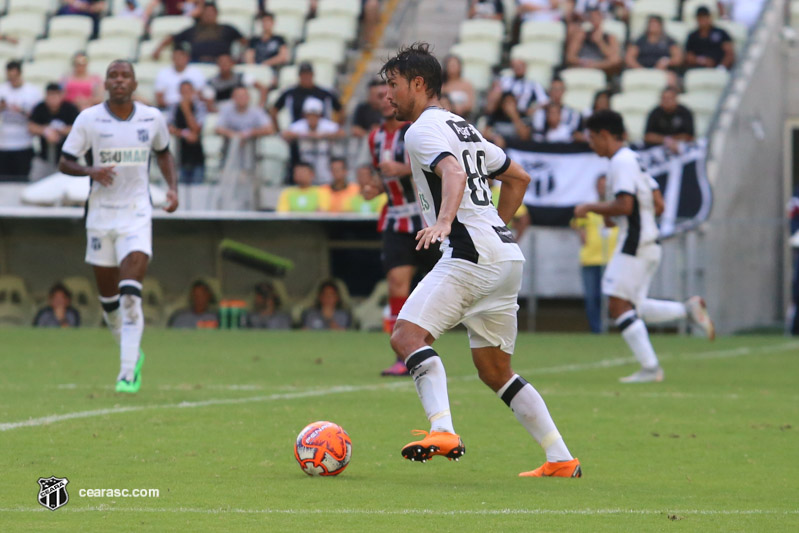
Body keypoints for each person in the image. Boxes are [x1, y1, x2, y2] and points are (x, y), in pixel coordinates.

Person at [381, 43, 581, 477]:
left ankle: (443, 429)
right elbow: (518, 177)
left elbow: (452, 173)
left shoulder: (420, 131)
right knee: (495, 370)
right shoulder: (463, 126)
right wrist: (495, 228)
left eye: (393, 85)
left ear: (418, 83)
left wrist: (445, 222)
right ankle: (560, 459)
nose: (388, 96)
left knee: (406, 337)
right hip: (504, 256)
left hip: (470, 256)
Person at [59, 60, 179, 394]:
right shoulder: (89, 119)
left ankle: (127, 373)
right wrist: (91, 171)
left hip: (136, 214)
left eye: (125, 75)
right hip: (100, 215)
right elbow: (65, 161)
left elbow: (165, 153)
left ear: (135, 82)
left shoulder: (152, 118)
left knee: (130, 294)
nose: (119, 80)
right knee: (109, 302)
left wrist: (172, 188)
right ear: (106, 83)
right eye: (113, 75)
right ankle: (132, 353)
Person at [574, 110, 715, 383]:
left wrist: (591, 207)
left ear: (605, 135)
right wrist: (625, 214)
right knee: (631, 306)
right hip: (647, 239)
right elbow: (658, 203)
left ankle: (651, 368)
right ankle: (686, 311)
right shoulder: (633, 159)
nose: (591, 144)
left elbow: (626, 205)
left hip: (636, 241)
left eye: (592, 138)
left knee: (616, 303)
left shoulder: (621, 162)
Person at [366, 86, 441, 376]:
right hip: (396, 220)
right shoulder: (375, 137)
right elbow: (378, 173)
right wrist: (374, 186)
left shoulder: (418, 130)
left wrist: (404, 169)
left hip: (427, 221)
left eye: (390, 93)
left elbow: (435, 166)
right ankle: (403, 356)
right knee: (398, 285)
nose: (386, 100)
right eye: (380, 96)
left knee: (451, 285)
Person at [572, 175, 617, 333]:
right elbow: (576, 222)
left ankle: (618, 327)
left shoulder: (618, 208)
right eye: (600, 185)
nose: (602, 189)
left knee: (614, 298)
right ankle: (597, 330)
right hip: (591, 259)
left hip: (612, 260)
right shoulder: (589, 208)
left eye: (606, 185)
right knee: (592, 298)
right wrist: (580, 231)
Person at [151, 1, 247, 64]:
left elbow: (245, 42)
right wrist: (158, 49)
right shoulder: (193, 30)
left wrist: (238, 58)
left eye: (211, 13)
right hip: (196, 63)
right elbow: (172, 38)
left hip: (220, 65)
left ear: (216, 14)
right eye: (206, 13)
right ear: (201, 14)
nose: (209, 15)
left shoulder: (227, 29)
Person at [281, 97, 345, 185]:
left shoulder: (326, 125)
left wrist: (323, 135)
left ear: (320, 115)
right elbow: (285, 134)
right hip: (306, 166)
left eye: (315, 115)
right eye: (309, 115)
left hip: (325, 165)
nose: (312, 118)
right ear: (305, 115)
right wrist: (306, 135)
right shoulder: (300, 125)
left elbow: (342, 133)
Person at [0, 61, 42, 182]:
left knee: (22, 180)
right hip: (3, 144)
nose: (12, 80)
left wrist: (22, 111)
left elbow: (38, 117)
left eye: (15, 77)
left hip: (24, 144)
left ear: (20, 74)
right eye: (10, 77)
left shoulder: (32, 92)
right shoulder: (2, 89)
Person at [28, 83, 80, 180]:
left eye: (56, 95)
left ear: (61, 95)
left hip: (66, 157)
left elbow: (78, 128)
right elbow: (31, 126)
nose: (53, 98)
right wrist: (45, 131)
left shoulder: (69, 108)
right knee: (36, 180)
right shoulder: (40, 108)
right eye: (50, 95)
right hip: (44, 155)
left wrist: (59, 131)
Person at [214, 85, 274, 165]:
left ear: (249, 97)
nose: (241, 98)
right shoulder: (226, 110)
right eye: (238, 96)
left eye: (244, 96)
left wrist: (249, 133)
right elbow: (217, 128)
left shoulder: (256, 111)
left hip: (251, 150)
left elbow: (270, 129)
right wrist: (235, 136)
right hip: (229, 150)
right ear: (233, 98)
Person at [271, 62, 343, 126]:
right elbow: (274, 110)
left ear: (312, 75)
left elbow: (340, 110)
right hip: (296, 132)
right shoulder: (290, 93)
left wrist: (336, 127)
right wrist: (278, 131)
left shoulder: (325, 93)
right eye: (303, 74)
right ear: (299, 76)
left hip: (322, 133)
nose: (306, 77)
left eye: (308, 74)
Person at [167, 80, 207, 184]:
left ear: (193, 92)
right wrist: (184, 134)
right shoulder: (174, 107)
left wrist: (186, 109)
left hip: (197, 156)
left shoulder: (199, 106)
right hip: (179, 156)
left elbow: (196, 129)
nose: (186, 94)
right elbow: (169, 127)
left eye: (188, 91)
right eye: (183, 91)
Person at [625, 15, 682, 85]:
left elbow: (678, 58)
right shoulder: (640, 40)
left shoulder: (669, 41)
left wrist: (666, 62)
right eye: (651, 23)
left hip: (663, 70)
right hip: (642, 69)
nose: (653, 26)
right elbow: (629, 58)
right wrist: (640, 69)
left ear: (661, 26)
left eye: (655, 24)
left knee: (671, 78)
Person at [565, 7, 622, 76]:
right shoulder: (581, 35)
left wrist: (600, 42)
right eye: (592, 18)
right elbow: (570, 57)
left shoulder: (610, 37)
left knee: (616, 60)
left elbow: (614, 59)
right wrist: (584, 62)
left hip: (601, 65)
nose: (595, 21)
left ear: (602, 19)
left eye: (597, 18)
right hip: (583, 63)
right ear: (589, 20)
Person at [644, 87, 695, 153]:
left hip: (679, 148)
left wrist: (671, 141)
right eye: (664, 98)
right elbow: (648, 136)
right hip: (657, 148)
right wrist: (666, 140)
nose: (666, 101)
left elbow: (689, 137)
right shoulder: (655, 112)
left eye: (669, 98)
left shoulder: (685, 112)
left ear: (676, 99)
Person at [441, 55, 475, 120]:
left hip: (463, 117)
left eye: (454, 65)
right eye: (450, 65)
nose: (452, 68)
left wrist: (459, 108)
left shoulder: (466, 84)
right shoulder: (442, 85)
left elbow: (470, 104)